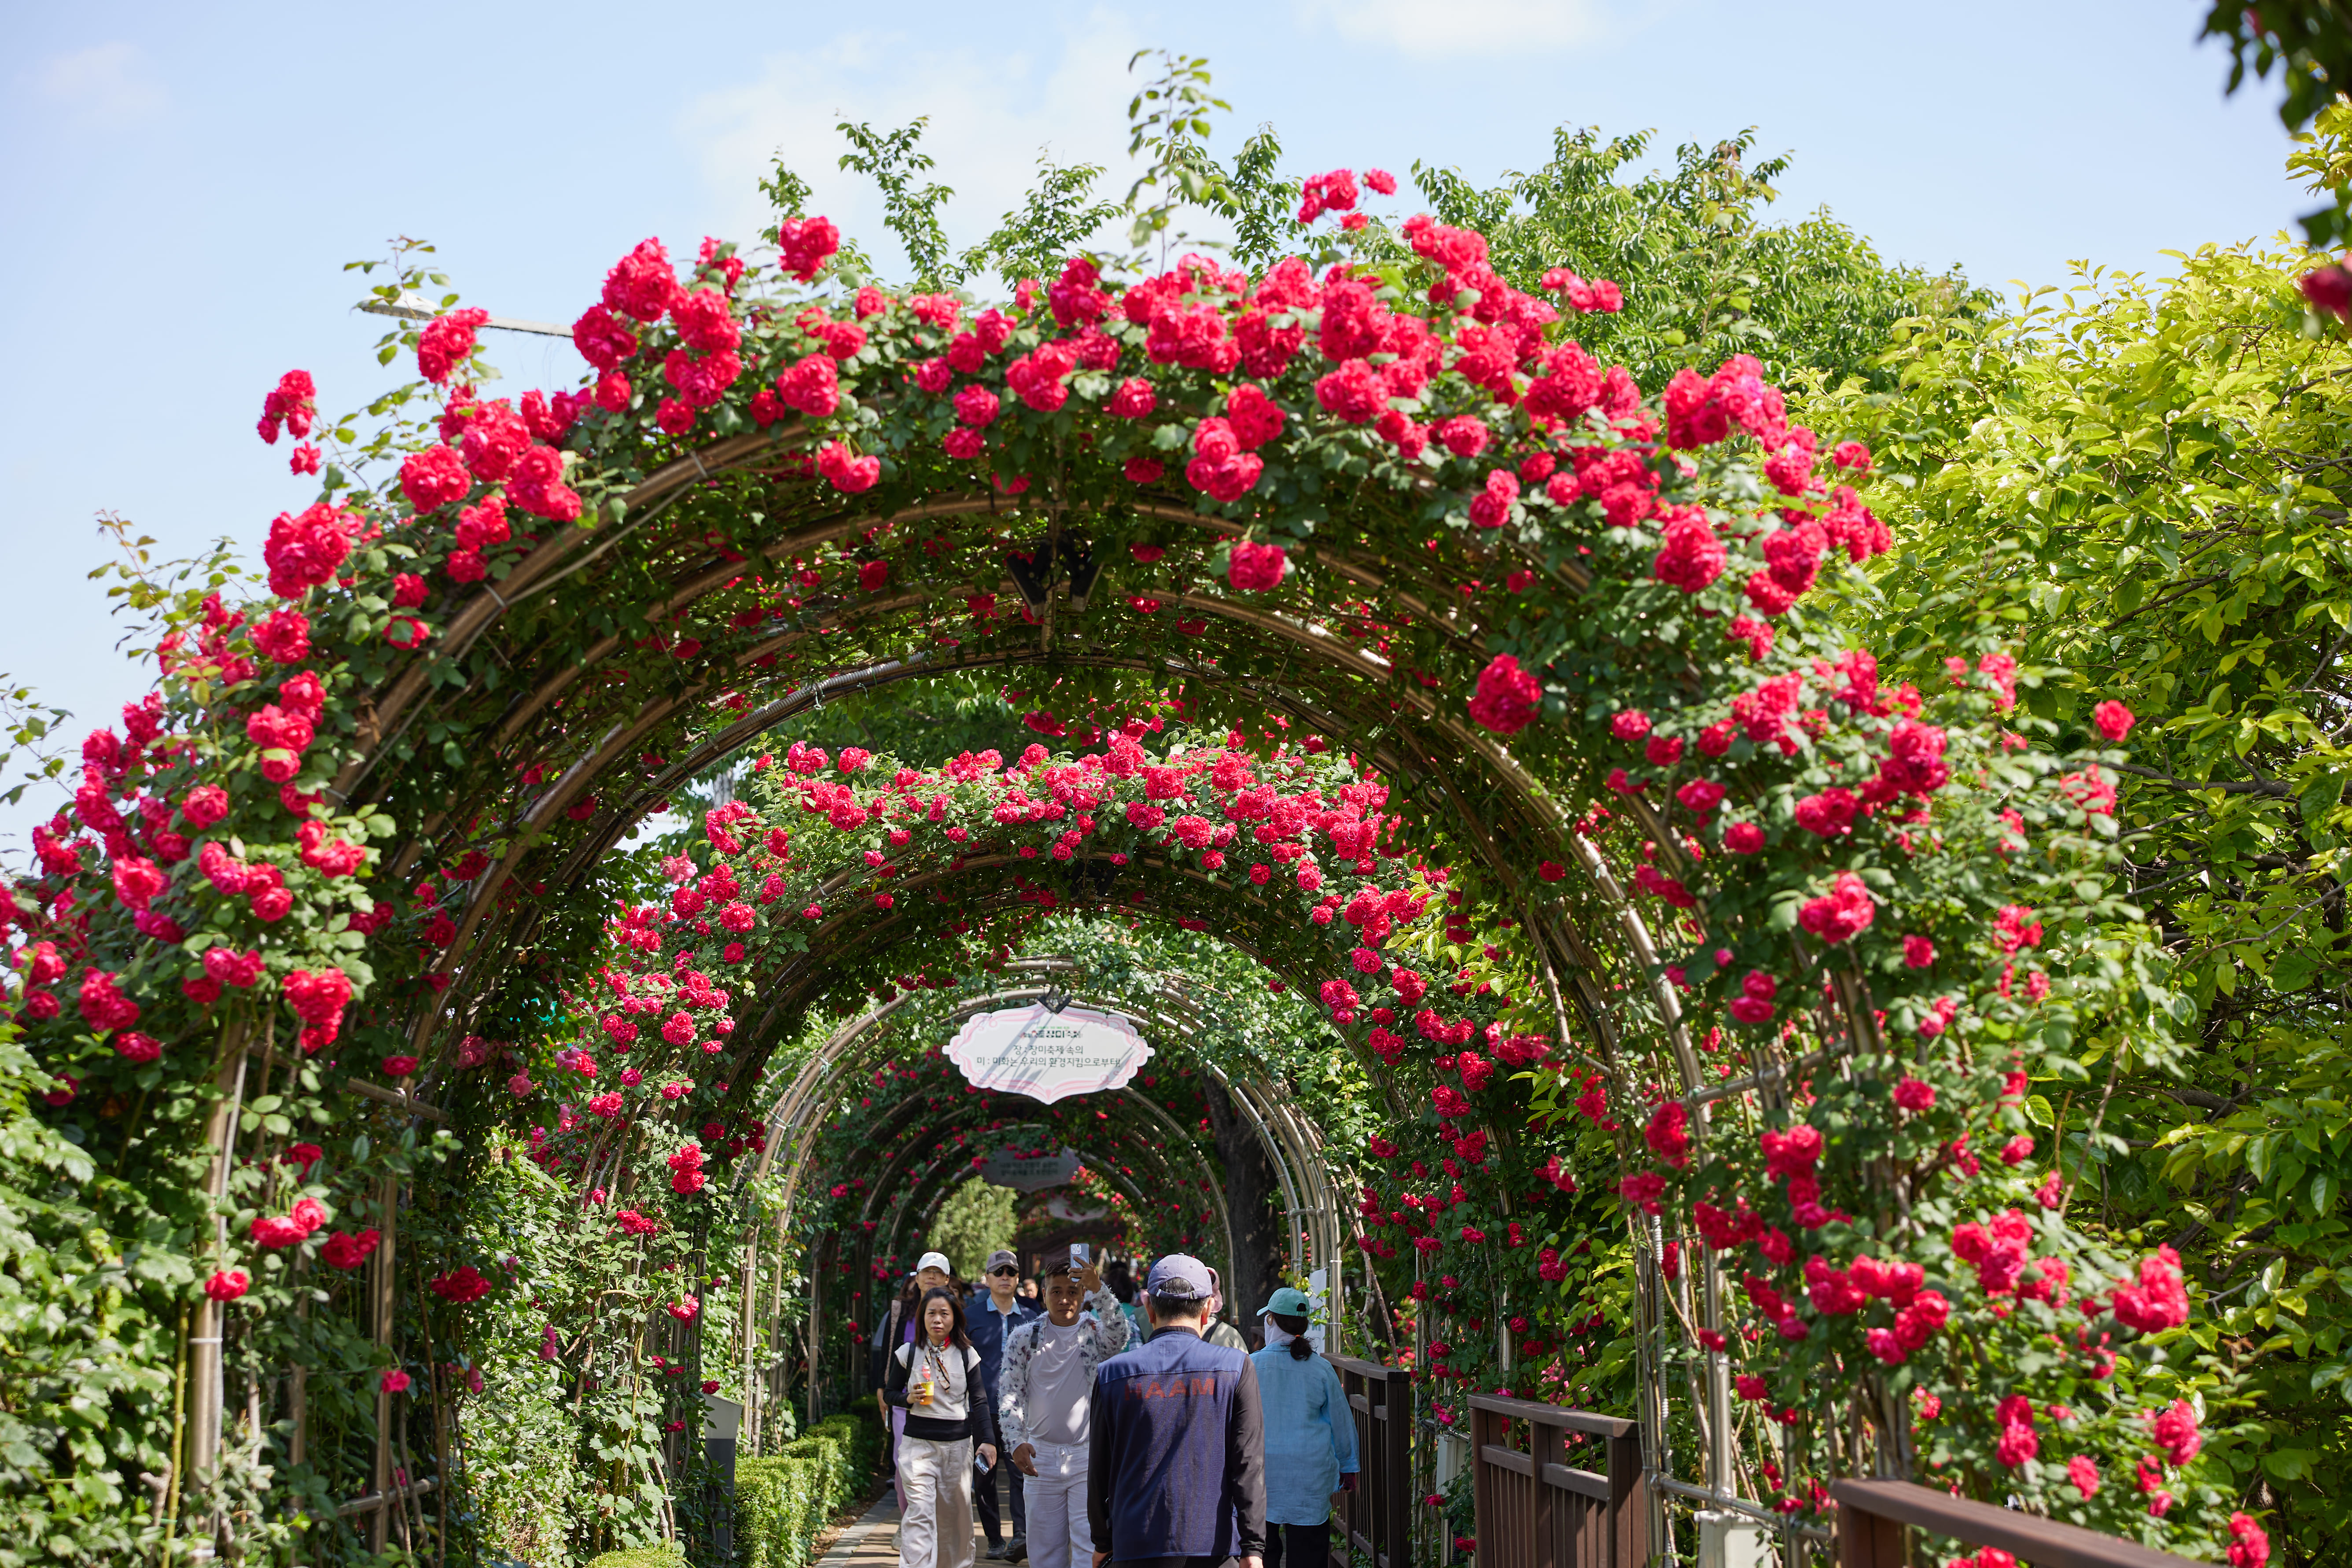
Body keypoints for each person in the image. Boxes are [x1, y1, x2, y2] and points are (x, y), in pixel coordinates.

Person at [1087, 1253, 1266, 1568]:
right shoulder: (1236, 1367)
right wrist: (1252, 1547)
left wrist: (1102, 1540)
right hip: (1214, 1543)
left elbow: (1098, 1469)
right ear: (1208, 1308)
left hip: (1134, 1543)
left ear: (1149, 1307)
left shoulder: (1111, 1374)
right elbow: (1248, 1464)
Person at [998, 1252, 1131, 1568]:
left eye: (1072, 1292)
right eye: (1056, 1292)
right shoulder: (1023, 1338)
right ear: (1043, 1294)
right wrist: (1015, 1441)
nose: (1064, 1299)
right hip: (1040, 1457)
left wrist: (1100, 1290)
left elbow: (1120, 1336)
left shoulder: (1095, 1333)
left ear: (1082, 1295)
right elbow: (1009, 1394)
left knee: (1090, 1548)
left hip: (1086, 1457)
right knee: (1044, 1550)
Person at [885, 1286, 1002, 1568]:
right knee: (920, 1516)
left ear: (955, 1318)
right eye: (931, 1313)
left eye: (944, 1314)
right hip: (918, 1448)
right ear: (923, 1317)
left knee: (955, 1521)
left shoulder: (967, 1356)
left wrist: (988, 1441)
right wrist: (907, 1398)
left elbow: (979, 1401)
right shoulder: (907, 1353)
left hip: (957, 1450)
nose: (937, 1319)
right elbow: (889, 1393)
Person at [1249, 1288, 1358, 1568]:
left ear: (1271, 1321)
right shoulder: (1321, 1369)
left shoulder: (1251, 1366)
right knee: (1309, 1554)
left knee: (1263, 1551)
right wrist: (1349, 1467)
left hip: (1263, 1474)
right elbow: (1342, 1422)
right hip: (1310, 1476)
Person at [966, 1249, 1044, 1561]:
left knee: (1020, 1472)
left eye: (1010, 1272)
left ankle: (1021, 1537)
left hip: (1020, 1411)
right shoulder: (970, 1316)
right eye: (998, 1272)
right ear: (986, 1278)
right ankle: (995, 1538)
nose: (1004, 1278)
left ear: (1016, 1279)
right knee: (983, 1476)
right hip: (981, 1411)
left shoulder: (1030, 1316)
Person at [876, 1254, 958, 1494]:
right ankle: (911, 1515)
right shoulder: (900, 1310)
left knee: (939, 1462)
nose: (931, 1277)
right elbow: (888, 1348)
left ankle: (933, 1515)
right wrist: (882, 1387)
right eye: (926, 1272)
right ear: (918, 1277)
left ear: (946, 1279)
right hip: (906, 1397)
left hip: (944, 1399)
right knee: (905, 1458)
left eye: (937, 1273)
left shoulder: (956, 1311)